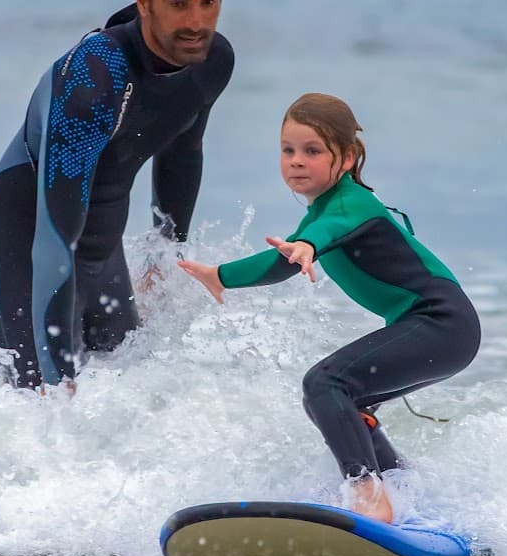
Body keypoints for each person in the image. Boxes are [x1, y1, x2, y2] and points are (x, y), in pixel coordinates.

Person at [178, 93, 481, 522]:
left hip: (442, 324)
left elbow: (327, 230)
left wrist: (306, 245)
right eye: (288, 150)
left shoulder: (350, 203)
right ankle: (402, 489)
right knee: (336, 400)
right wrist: (220, 275)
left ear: (348, 157)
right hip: (442, 329)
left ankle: (368, 494)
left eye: (313, 151)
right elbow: (281, 261)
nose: (297, 161)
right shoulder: (323, 210)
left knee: (325, 383)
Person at [0, 0, 234, 390]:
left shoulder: (212, 62)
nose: (196, 22)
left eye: (208, 1)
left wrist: (163, 258)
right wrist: (58, 380)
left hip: (99, 249)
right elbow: (54, 238)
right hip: (28, 242)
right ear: (144, 0)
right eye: (177, 3)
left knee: (131, 385)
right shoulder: (96, 77)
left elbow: (183, 152)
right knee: (33, 396)